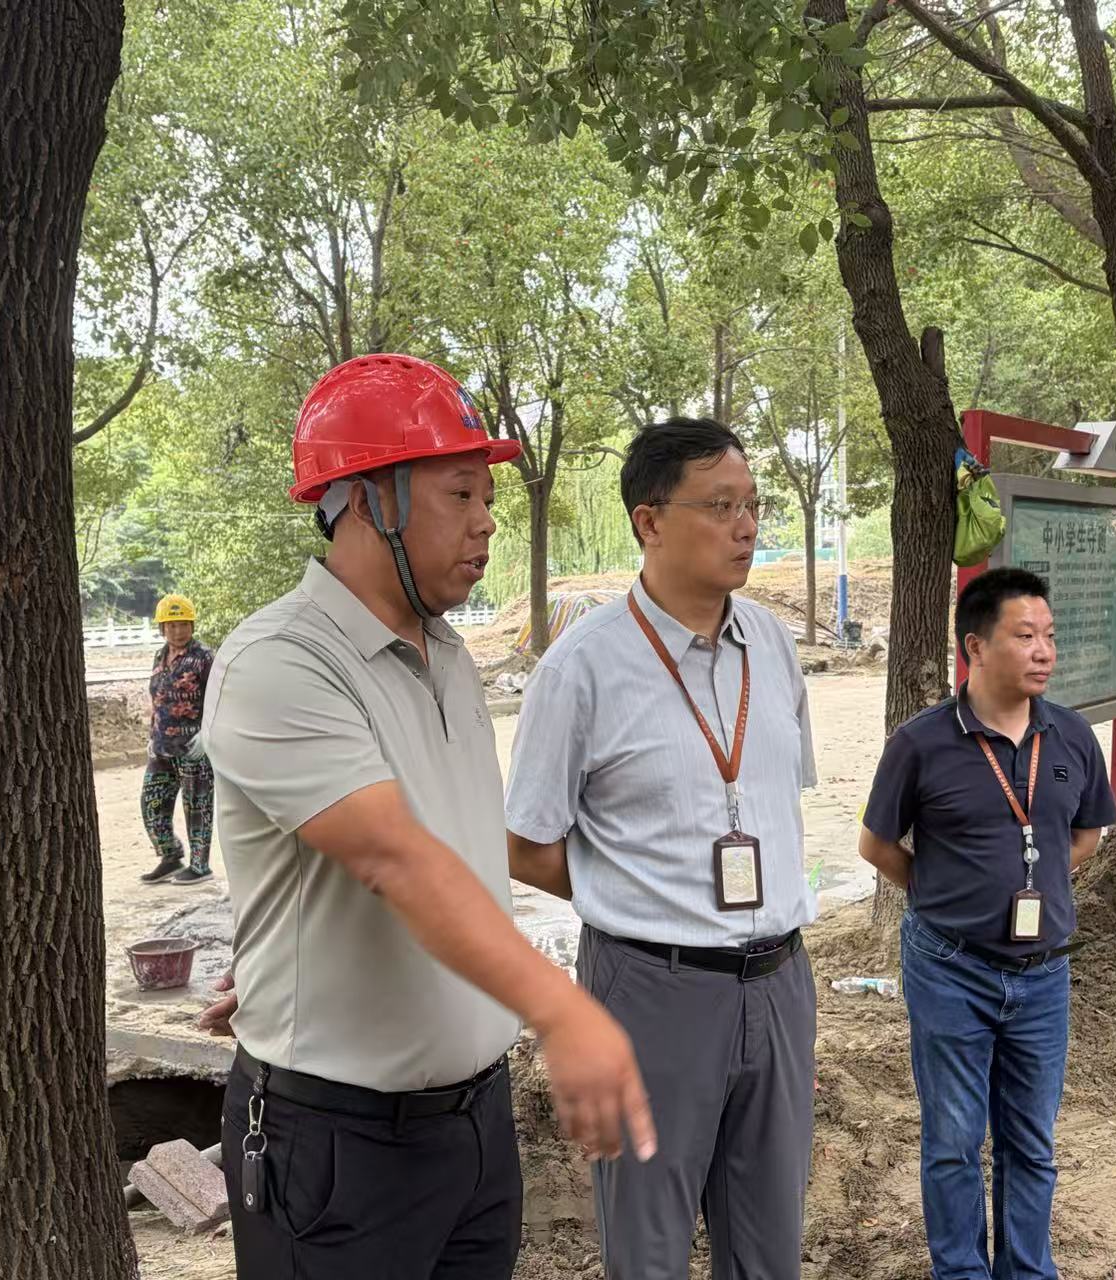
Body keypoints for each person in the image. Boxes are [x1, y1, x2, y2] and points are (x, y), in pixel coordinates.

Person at [198, 353, 654, 1279]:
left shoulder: (445, 653)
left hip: (473, 1125)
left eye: (487, 496)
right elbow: (396, 859)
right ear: (369, 500)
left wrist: (292, 953)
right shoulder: (279, 662)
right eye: (459, 494)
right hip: (339, 1148)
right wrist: (562, 1010)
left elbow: (451, 845)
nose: (487, 521)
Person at [506, 417, 819, 1280]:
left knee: (769, 1247)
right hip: (651, 988)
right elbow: (527, 846)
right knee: (648, 1247)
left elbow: (776, 806)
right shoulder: (582, 668)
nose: (745, 526)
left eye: (752, 505)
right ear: (649, 520)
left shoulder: (772, 645)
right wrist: (639, 894)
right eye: (719, 506)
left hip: (780, 981)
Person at [858, 567, 1116, 1280]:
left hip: (1043, 974)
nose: (1044, 651)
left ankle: (1027, 1271)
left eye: (1049, 636)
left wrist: (1034, 886)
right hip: (950, 967)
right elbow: (877, 846)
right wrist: (944, 896)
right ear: (975, 646)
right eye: (1024, 636)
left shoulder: (1070, 735)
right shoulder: (920, 743)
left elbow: (1086, 834)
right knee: (952, 1141)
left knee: (1030, 1142)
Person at [139, 593, 217, 886]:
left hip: (193, 748)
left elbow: (220, 696)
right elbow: (158, 697)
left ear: (192, 625)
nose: (178, 630)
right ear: (162, 628)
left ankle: (200, 866)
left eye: (183, 624)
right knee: (151, 804)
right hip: (161, 747)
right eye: (171, 625)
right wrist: (153, 734)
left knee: (197, 807)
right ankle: (170, 856)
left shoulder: (204, 658)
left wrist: (207, 733)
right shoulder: (159, 656)